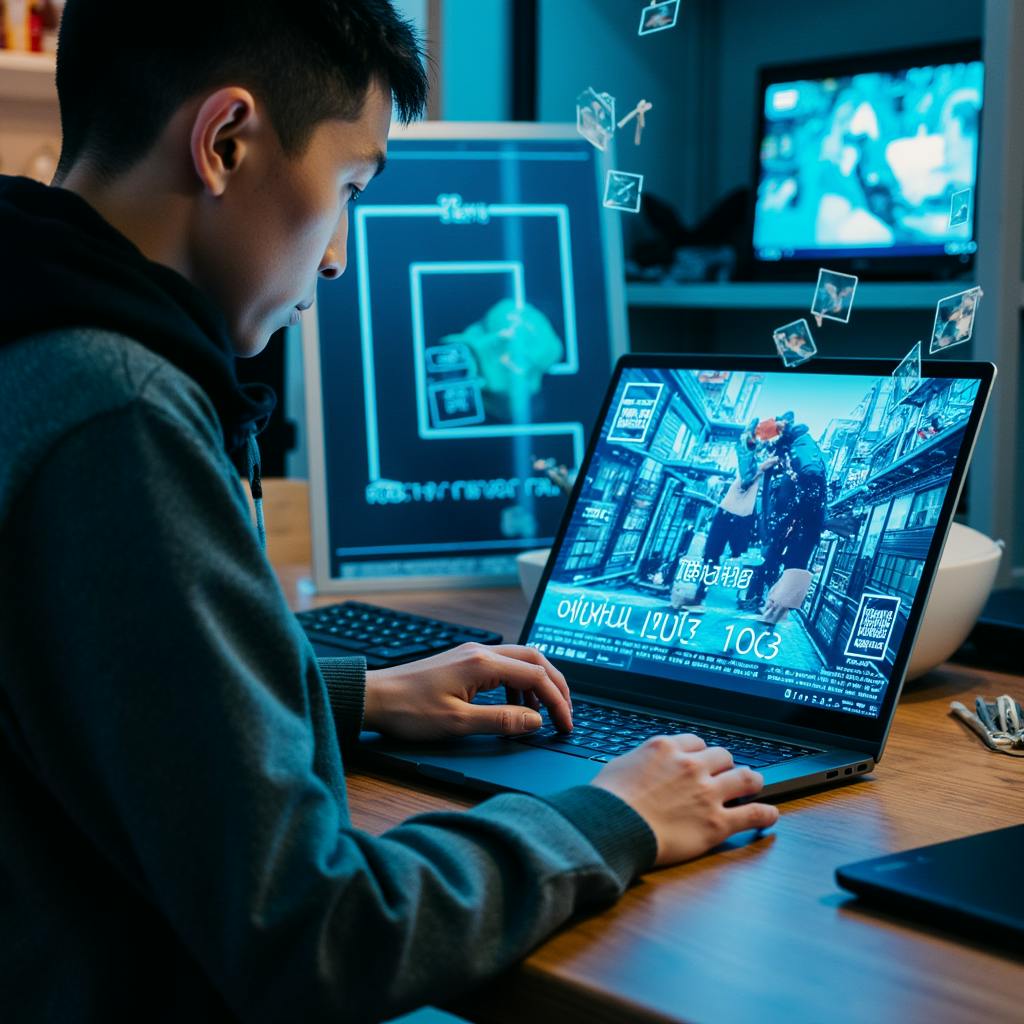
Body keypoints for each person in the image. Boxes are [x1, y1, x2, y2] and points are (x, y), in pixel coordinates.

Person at [0, 2, 778, 1020]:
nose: (336, 256)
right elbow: (318, 937)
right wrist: (612, 815)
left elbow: (82, 685)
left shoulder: (34, 338)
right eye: (350, 187)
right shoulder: (123, 413)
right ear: (226, 143)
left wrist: (349, 692)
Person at [677, 419, 778, 613]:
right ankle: (700, 597)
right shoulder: (748, 464)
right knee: (712, 558)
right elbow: (747, 479)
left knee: (744, 558)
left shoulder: (758, 459)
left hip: (743, 518)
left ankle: (749, 598)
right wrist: (763, 464)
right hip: (727, 514)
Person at [743, 412, 828, 616]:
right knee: (773, 561)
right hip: (793, 522)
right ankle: (762, 602)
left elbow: (812, 476)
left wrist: (791, 515)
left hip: (799, 524)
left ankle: (773, 608)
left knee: (789, 565)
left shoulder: (801, 446)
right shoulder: (792, 449)